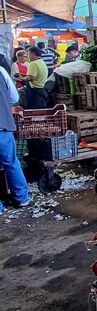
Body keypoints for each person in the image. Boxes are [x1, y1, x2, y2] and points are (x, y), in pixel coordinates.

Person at [0, 64, 31, 214]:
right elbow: (14, 97)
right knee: (11, 163)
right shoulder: (0, 70)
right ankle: (21, 198)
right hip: (2, 126)